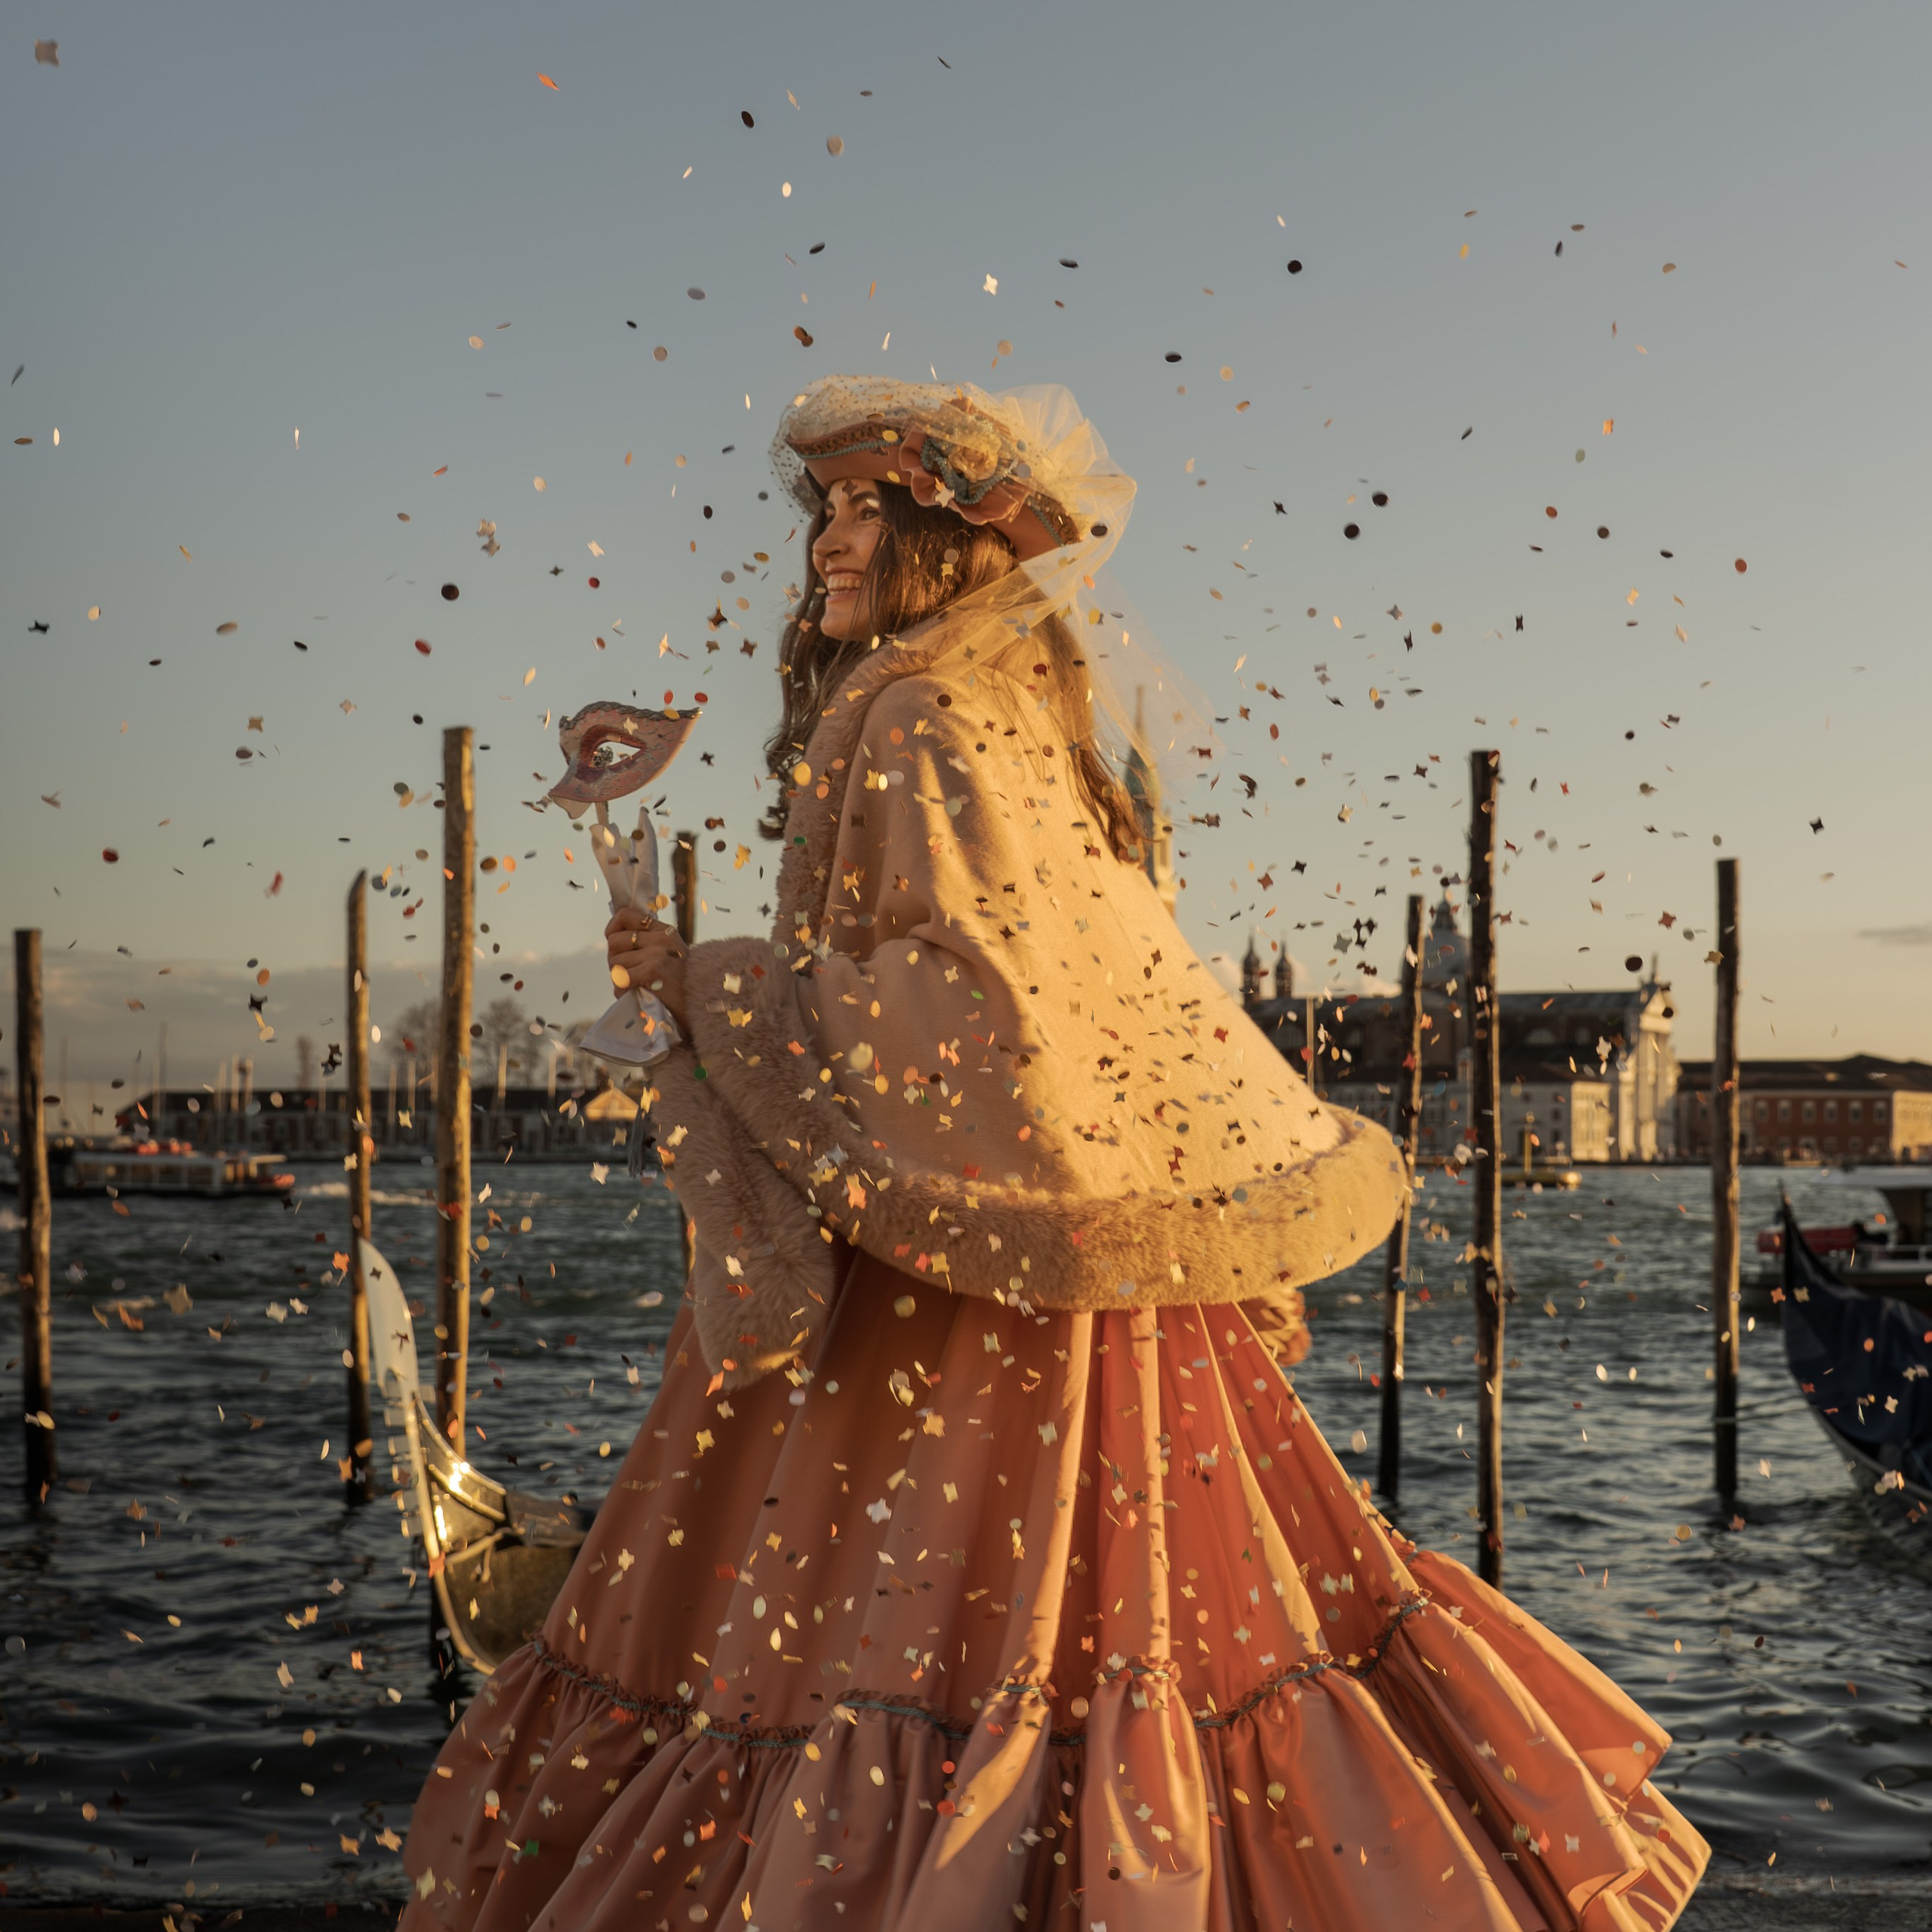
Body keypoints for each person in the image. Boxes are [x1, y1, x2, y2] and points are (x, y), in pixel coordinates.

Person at [401, 377, 1707, 1932]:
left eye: (857, 508)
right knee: (1132, 1635)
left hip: (937, 1299)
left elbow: (965, 1016)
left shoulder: (913, 709)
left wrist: (710, 982)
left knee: (899, 1646)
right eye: (818, 508)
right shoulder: (1026, 713)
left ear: (939, 539)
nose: (823, 540)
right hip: (1073, 1280)